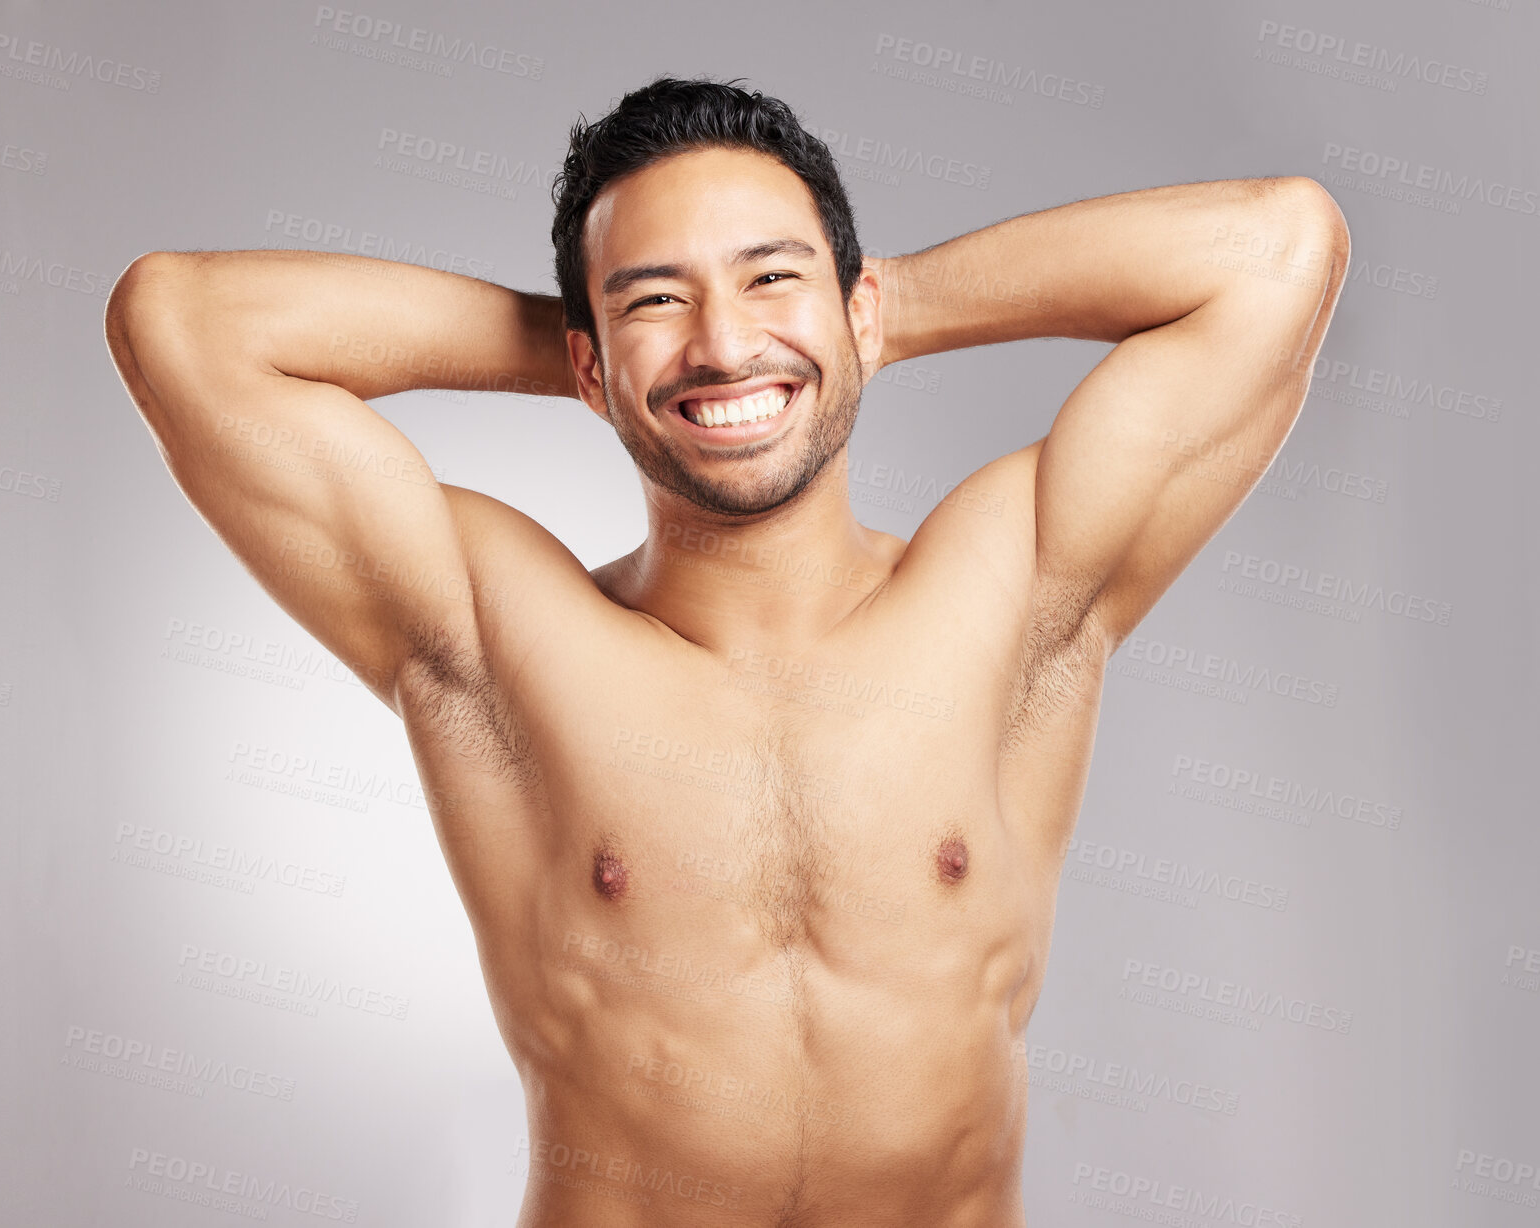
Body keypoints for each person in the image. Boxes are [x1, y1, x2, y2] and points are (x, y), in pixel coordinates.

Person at [104, 76, 1347, 1228]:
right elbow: (183, 323)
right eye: (658, 297)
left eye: (771, 279)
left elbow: (1279, 248)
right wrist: (611, 352)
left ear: (854, 303)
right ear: (585, 360)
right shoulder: (496, 632)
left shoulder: (1013, 584)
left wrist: (877, 313)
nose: (723, 343)